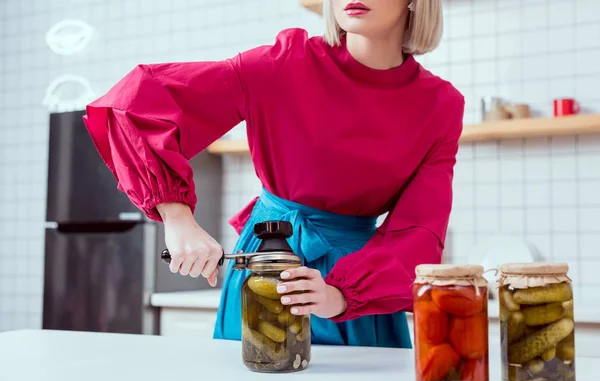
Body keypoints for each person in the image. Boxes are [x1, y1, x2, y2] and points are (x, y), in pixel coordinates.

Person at [83, 0, 463, 349]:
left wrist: (341, 297)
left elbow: (420, 229)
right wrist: (177, 217)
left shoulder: (440, 106)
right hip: (267, 265)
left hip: (359, 293)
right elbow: (135, 101)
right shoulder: (285, 64)